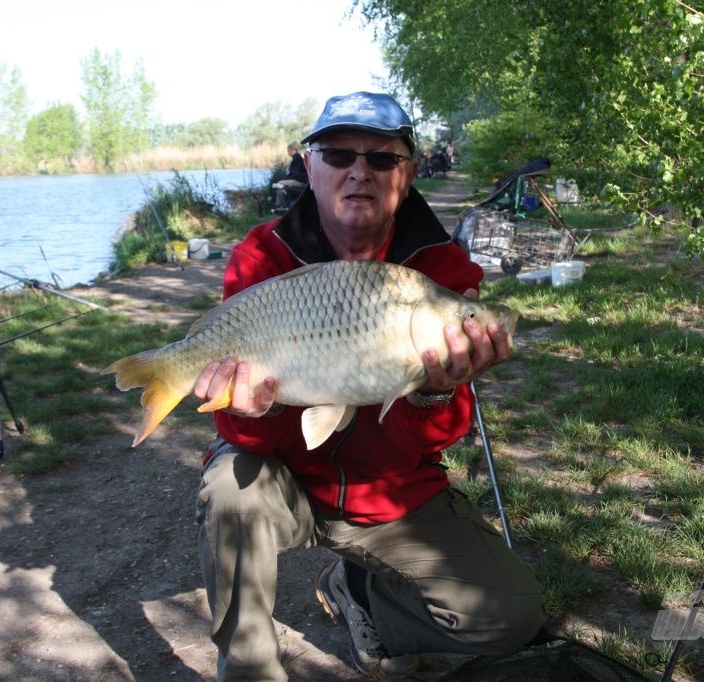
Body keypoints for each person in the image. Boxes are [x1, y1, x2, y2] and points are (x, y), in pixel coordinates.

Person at [193, 92, 546, 681]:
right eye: (338, 155)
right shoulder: (262, 255)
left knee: (513, 619)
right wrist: (253, 412)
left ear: (407, 173)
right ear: (310, 166)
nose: (359, 171)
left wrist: (434, 393)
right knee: (232, 486)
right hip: (286, 482)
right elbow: (237, 430)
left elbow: (433, 438)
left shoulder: (442, 272)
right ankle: (249, 669)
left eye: (382, 160)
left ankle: (364, 599)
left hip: (390, 494)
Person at [272, 142, 308, 210]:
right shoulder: (296, 158)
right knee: (279, 185)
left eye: (288, 150)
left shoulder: (297, 159)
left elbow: (295, 174)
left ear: (293, 150)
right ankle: (281, 205)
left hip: (300, 182)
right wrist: (285, 178)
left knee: (280, 183)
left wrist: (285, 179)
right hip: (297, 180)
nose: (288, 152)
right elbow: (292, 174)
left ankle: (281, 205)